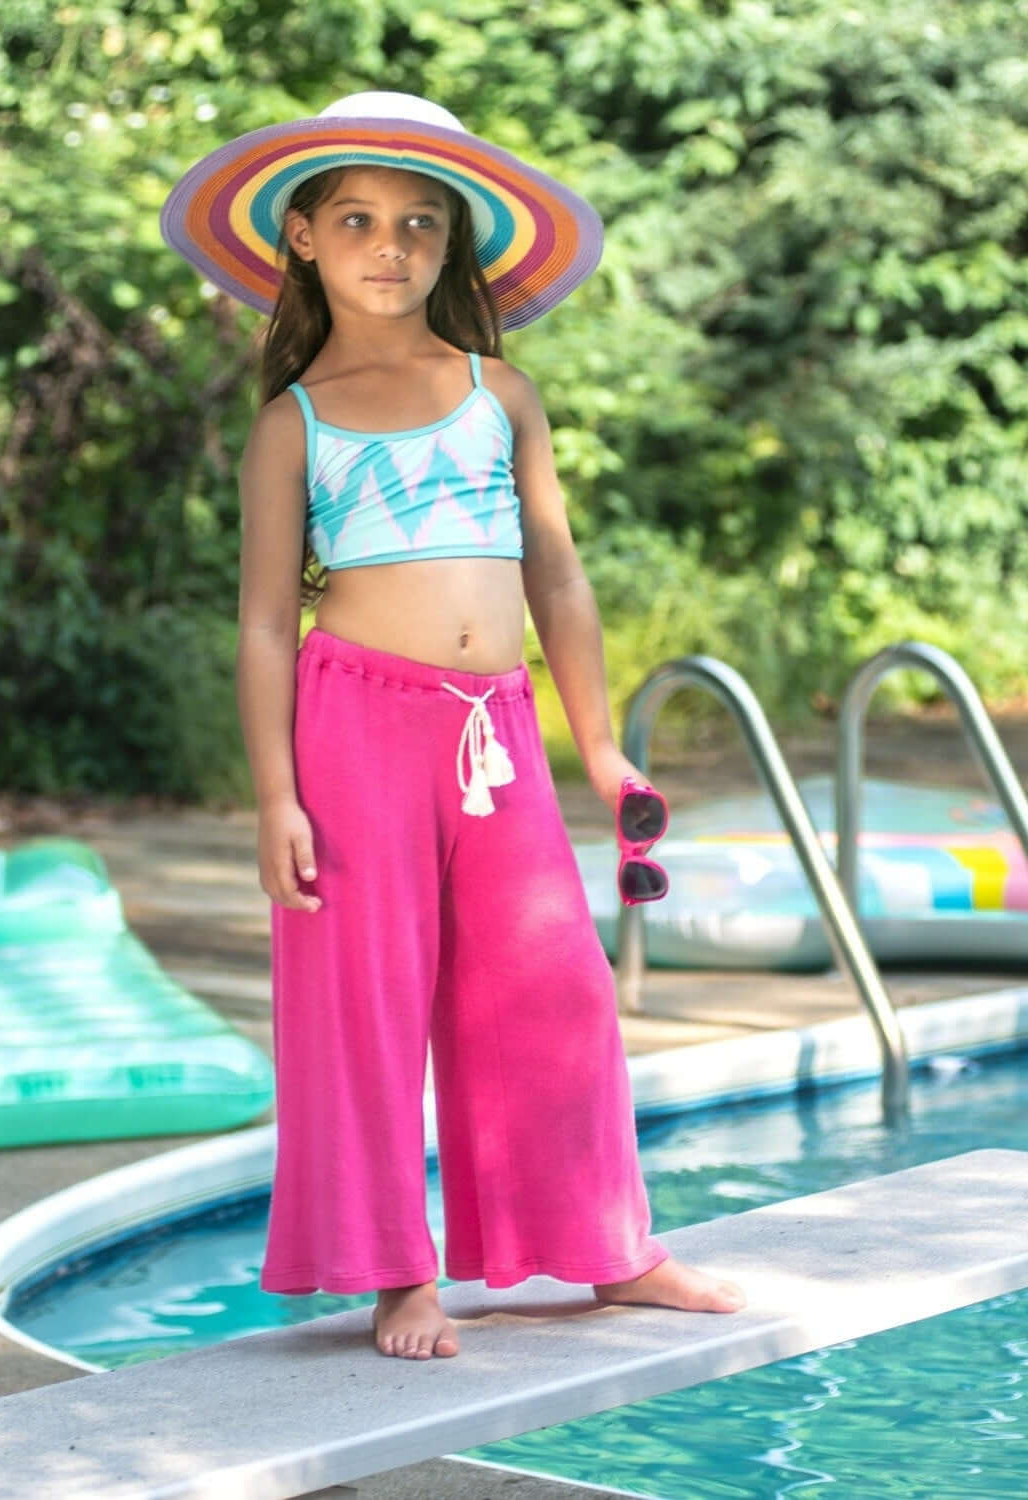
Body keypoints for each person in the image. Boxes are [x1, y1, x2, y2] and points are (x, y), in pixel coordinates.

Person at [161, 92, 745, 1362]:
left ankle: (609, 1250)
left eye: (421, 223)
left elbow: (560, 579)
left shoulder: (501, 393)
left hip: (499, 730)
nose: (392, 243)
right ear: (303, 239)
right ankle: (394, 1273)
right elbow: (263, 625)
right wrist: (275, 797)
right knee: (363, 1002)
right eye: (360, 219)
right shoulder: (292, 424)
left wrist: (600, 748)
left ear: (452, 246)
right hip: (354, 727)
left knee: (553, 986)